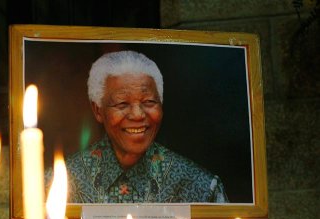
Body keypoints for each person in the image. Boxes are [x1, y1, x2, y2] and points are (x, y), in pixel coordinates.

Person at [49, 50, 228, 204]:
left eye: (149, 102)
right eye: (122, 104)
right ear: (98, 111)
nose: (138, 115)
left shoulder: (202, 187)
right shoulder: (56, 185)